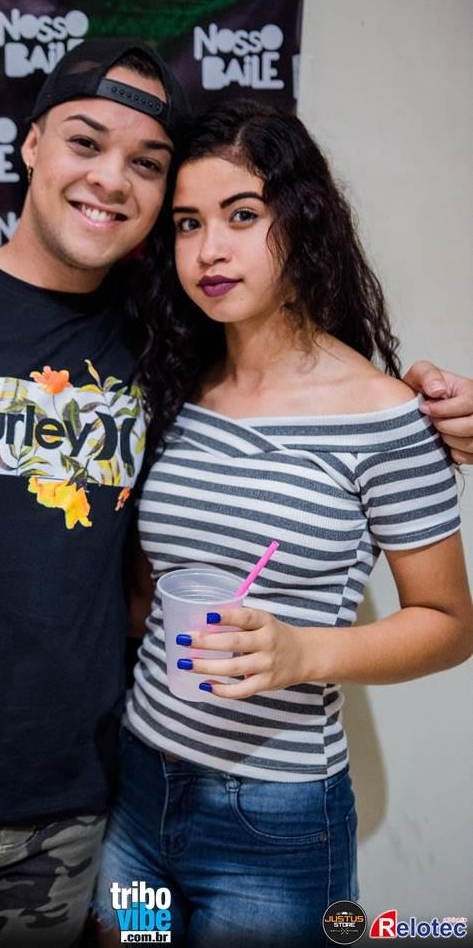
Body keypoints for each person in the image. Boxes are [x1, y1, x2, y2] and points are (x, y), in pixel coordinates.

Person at [0, 40, 470, 946]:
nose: (111, 180)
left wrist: (441, 412)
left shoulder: (157, 343)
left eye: (148, 165)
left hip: (71, 811)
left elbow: (312, 404)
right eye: (85, 142)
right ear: (31, 144)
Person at [92, 99, 473, 947]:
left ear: (302, 223)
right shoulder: (178, 386)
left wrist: (303, 653)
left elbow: (449, 625)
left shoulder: (383, 416)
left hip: (272, 820)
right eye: (187, 223)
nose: (208, 250)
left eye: (241, 216)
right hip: (138, 785)